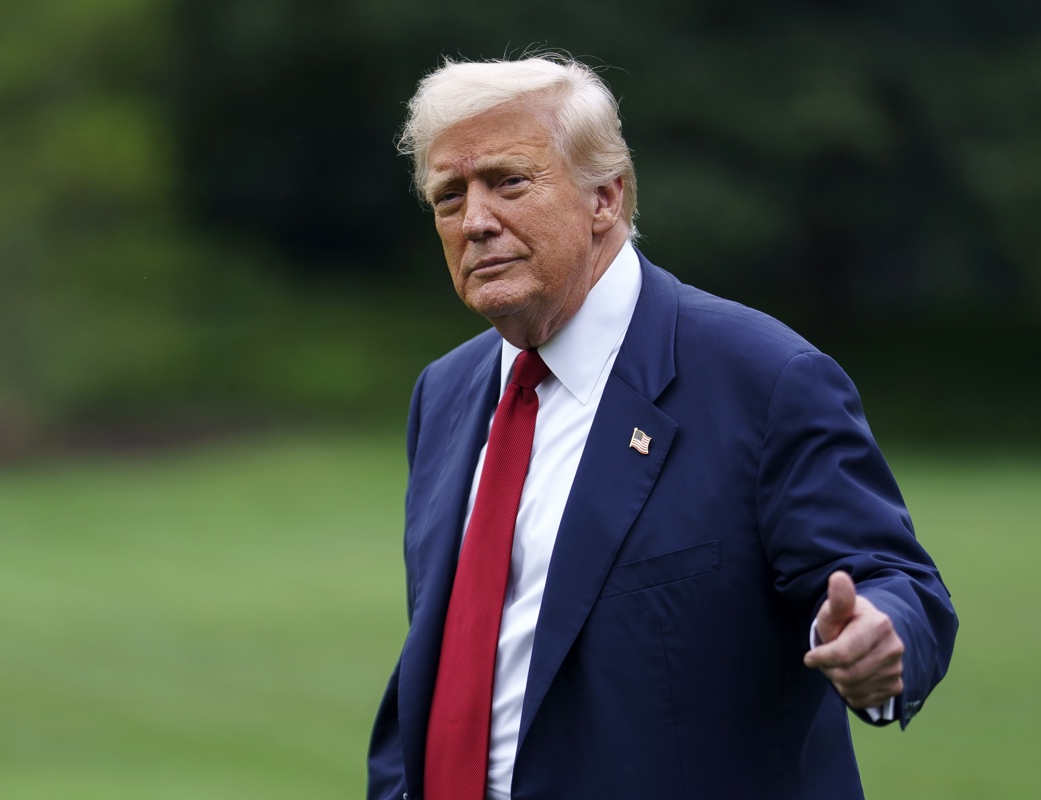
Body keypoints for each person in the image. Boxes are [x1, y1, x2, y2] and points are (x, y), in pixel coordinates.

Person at [368, 54, 957, 800]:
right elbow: (447, 658)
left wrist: (880, 635)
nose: (476, 221)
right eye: (449, 196)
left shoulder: (764, 378)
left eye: (508, 181)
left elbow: (894, 581)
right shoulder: (446, 392)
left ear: (604, 197)